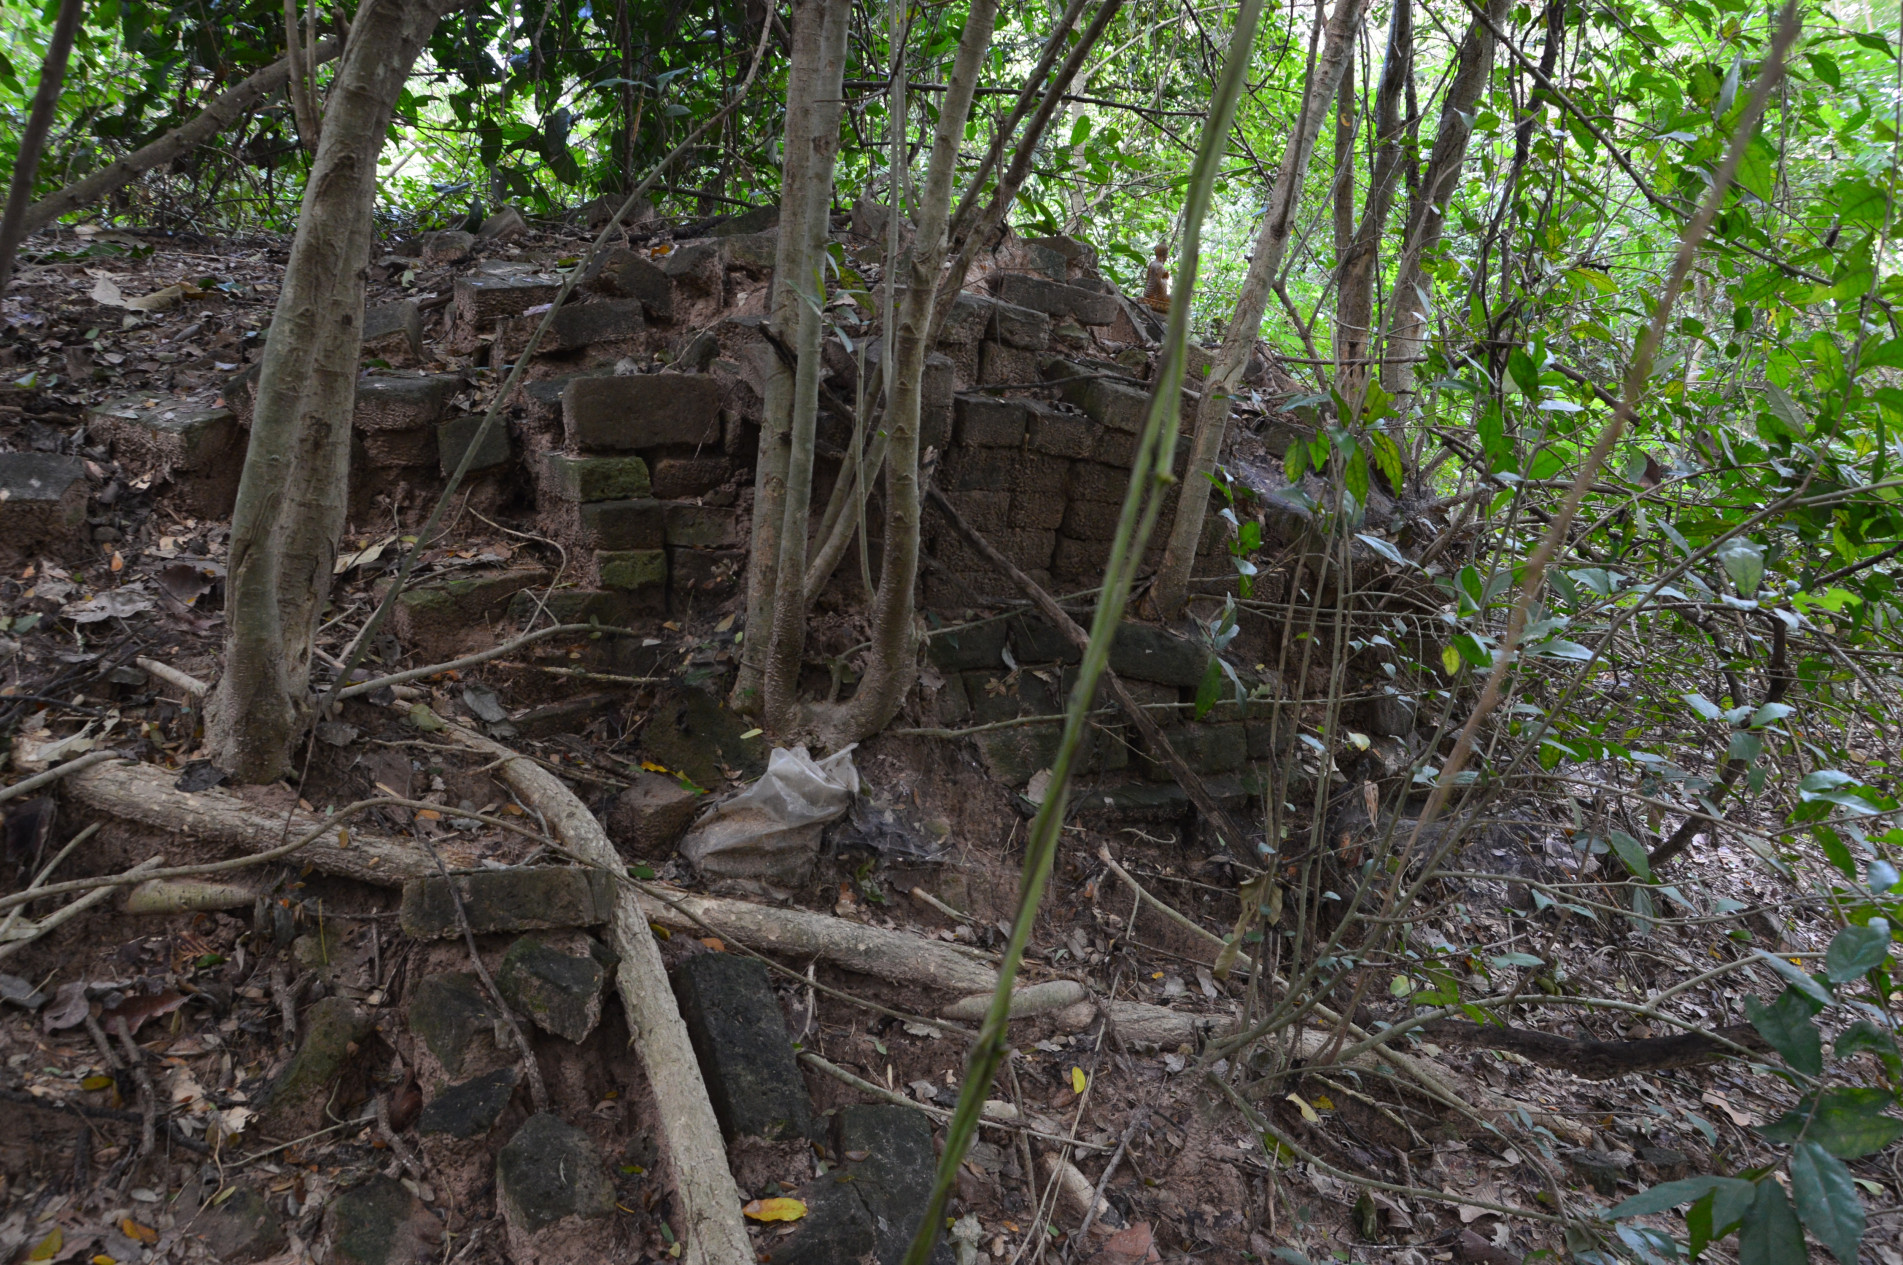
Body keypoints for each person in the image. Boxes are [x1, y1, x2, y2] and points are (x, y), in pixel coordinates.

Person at [1142, 241, 1171, 313]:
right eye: (1167, 254)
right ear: (1163, 255)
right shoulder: (1160, 266)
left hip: (1147, 294)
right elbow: (1158, 283)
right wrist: (1165, 278)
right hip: (1156, 297)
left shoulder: (1152, 263)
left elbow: (1148, 279)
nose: (1167, 257)